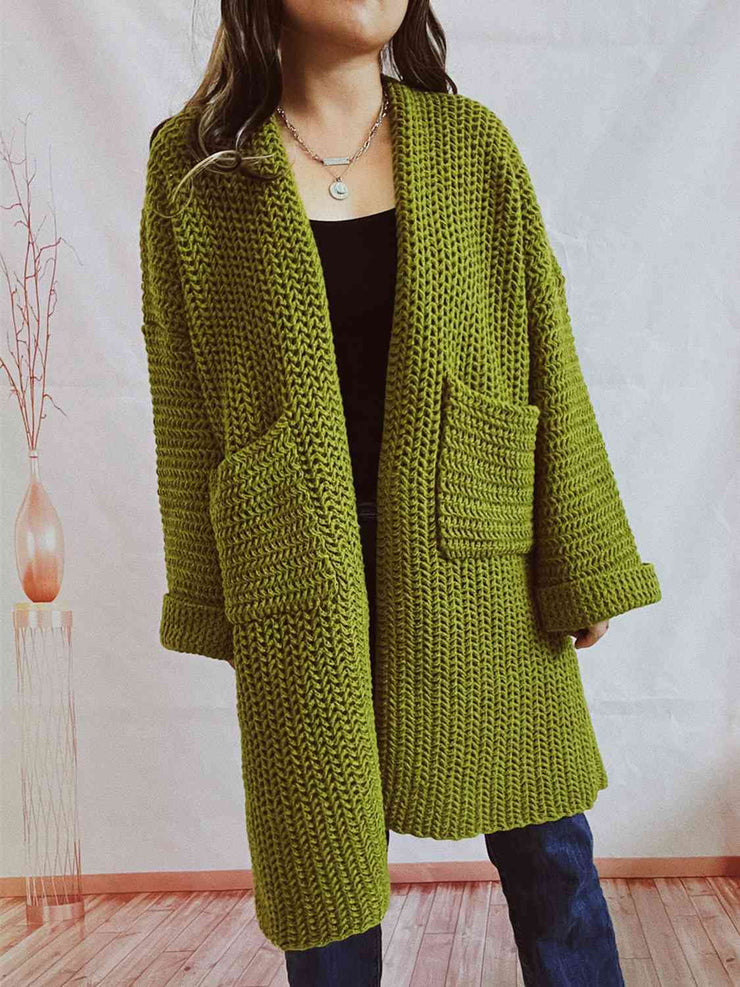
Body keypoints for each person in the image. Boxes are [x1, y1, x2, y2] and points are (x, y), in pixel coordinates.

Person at [138, 1, 662, 984]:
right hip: (298, 552)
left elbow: (543, 343)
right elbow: (182, 388)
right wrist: (210, 592)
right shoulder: (198, 163)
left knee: (548, 845)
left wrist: (580, 559)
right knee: (324, 869)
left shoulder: (470, 145)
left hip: (476, 534)